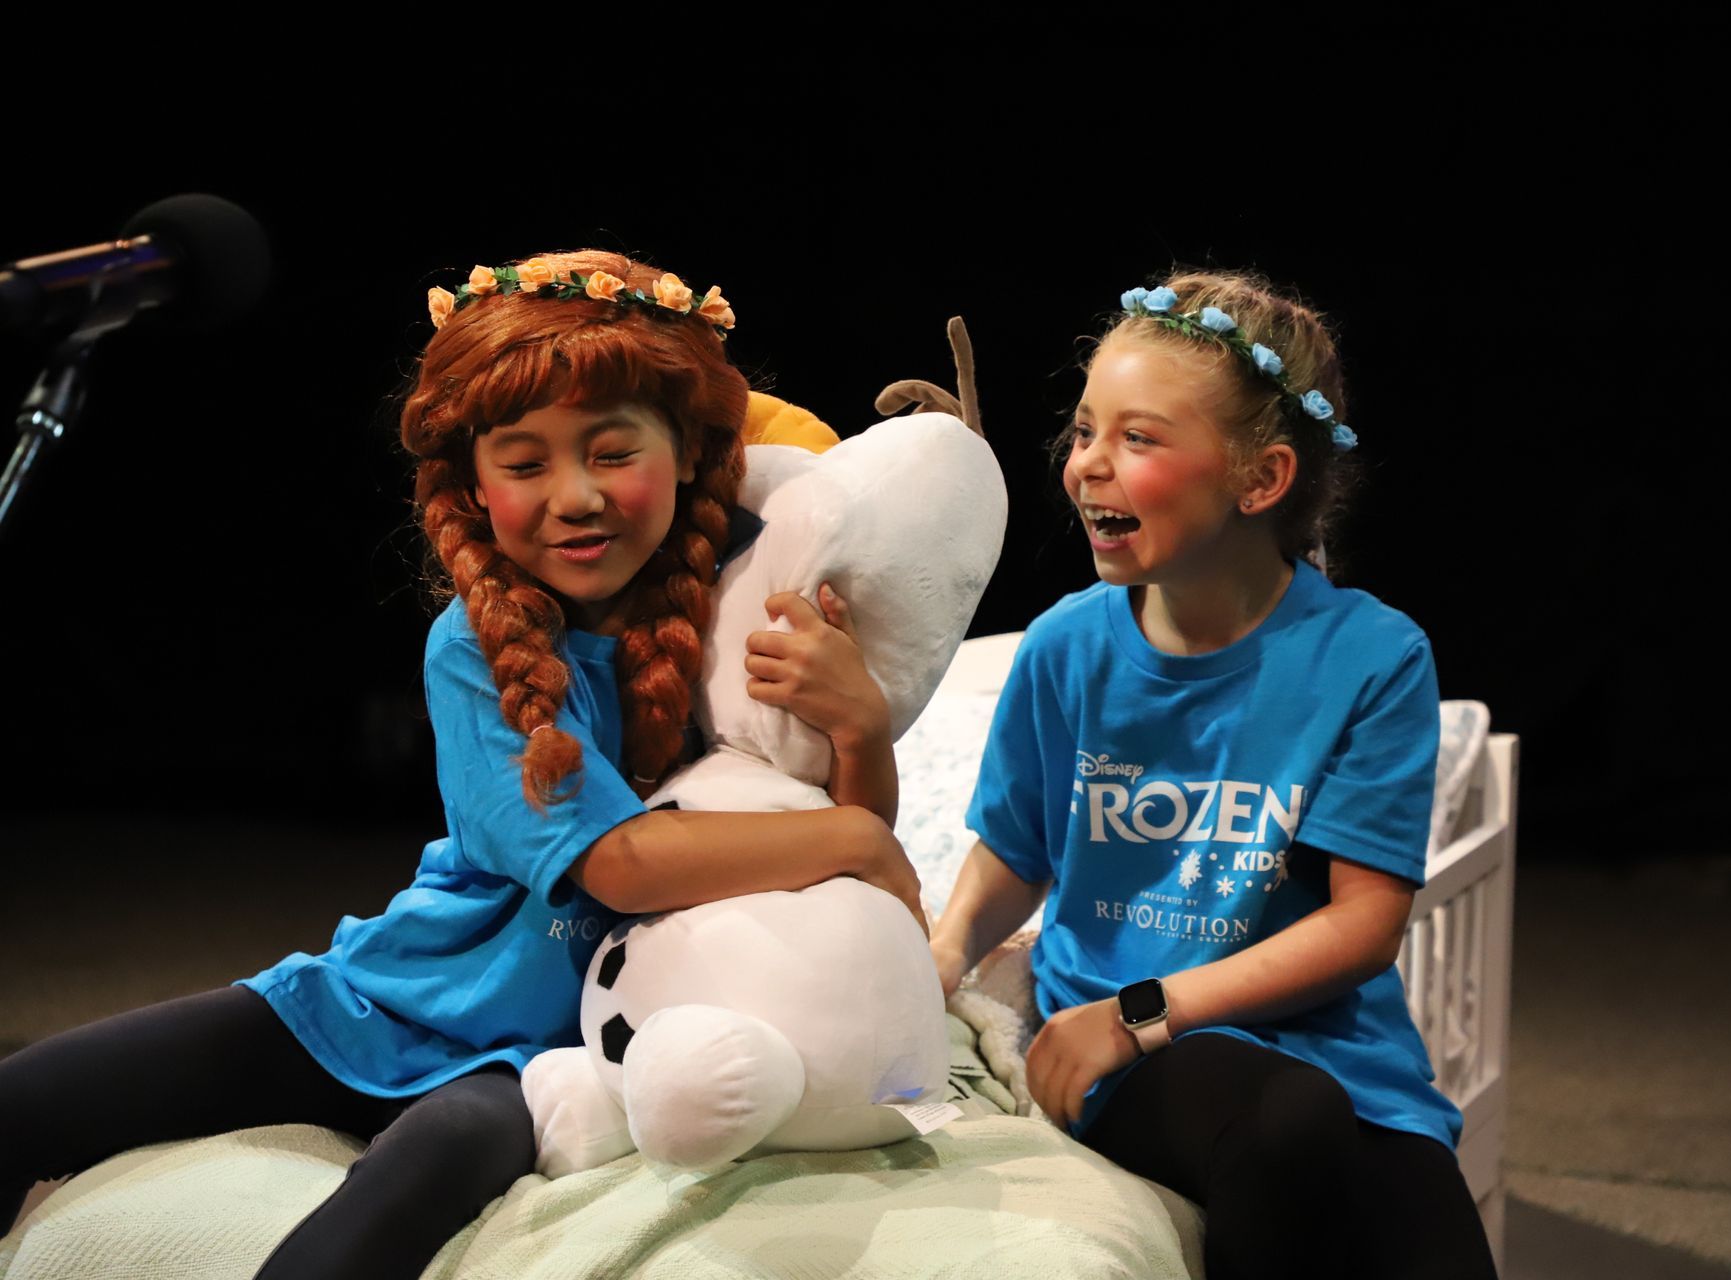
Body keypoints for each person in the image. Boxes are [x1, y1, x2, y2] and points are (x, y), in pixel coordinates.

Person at [0, 250, 921, 1279]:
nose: (575, 496)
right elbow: (624, 862)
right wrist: (855, 832)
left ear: (691, 454)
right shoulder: (476, 642)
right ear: (476, 487)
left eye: (613, 451)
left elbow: (845, 869)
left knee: (443, 1149)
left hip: (552, 1050)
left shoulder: (738, 618)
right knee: (27, 1096)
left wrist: (861, 730)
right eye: (525, 464)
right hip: (393, 998)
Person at [927, 271, 1499, 1279]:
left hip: (1315, 1051)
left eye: (1137, 439)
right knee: (1285, 1125)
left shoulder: (1374, 655)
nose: (1087, 465)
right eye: (1085, 429)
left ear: (1261, 478)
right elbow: (1013, 851)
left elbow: (1364, 923)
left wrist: (1148, 1005)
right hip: (1116, 1049)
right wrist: (939, 952)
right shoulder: (1066, 646)